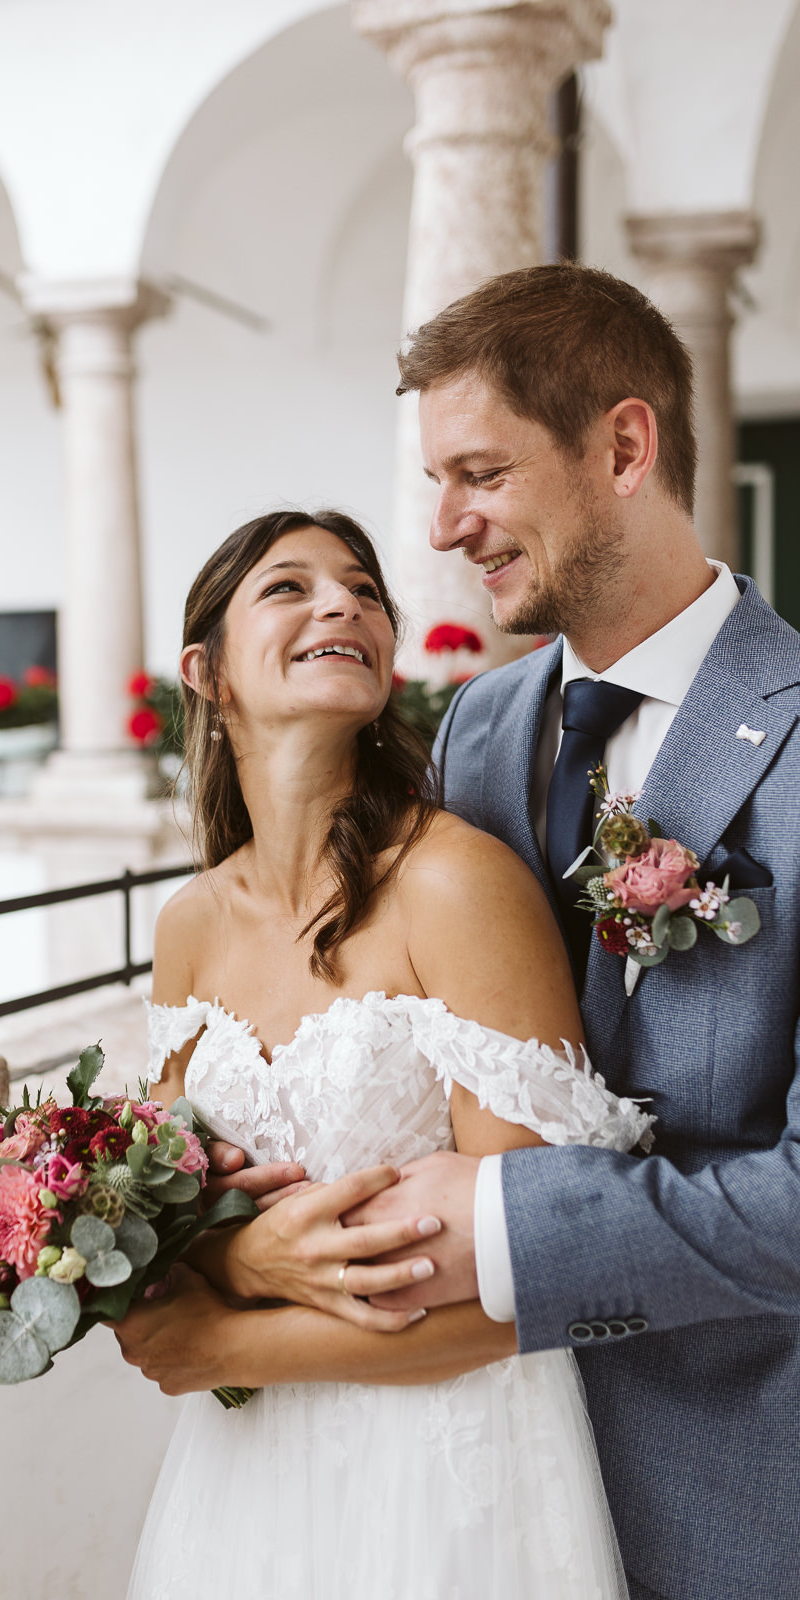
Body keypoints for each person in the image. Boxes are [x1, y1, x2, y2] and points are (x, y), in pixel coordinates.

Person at [308, 265, 800, 1600]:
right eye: (434, 481)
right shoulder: (478, 725)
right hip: (477, 1475)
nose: (444, 527)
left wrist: (508, 1218)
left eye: (479, 473)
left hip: (730, 1490)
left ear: (622, 447)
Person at [113, 507, 651, 1599]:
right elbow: (161, 1220)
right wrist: (237, 1262)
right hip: (248, 1484)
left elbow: (538, 1272)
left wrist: (230, 1346)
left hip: (448, 1470)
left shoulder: (454, 883)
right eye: (288, 586)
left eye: (361, 588)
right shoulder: (188, 926)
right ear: (204, 671)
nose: (341, 603)